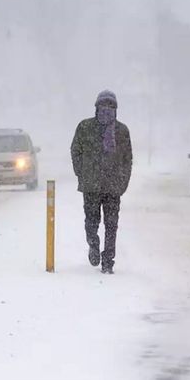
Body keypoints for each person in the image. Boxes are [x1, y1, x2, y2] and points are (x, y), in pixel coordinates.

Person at [70, 90, 133, 274]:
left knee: (93, 221)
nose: (106, 109)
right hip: (104, 185)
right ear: (97, 107)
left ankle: (97, 247)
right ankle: (106, 259)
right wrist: (122, 182)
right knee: (109, 224)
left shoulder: (117, 131)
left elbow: (75, 152)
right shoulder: (88, 127)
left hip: (104, 185)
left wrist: (82, 174)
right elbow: (127, 160)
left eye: (109, 106)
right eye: (104, 105)